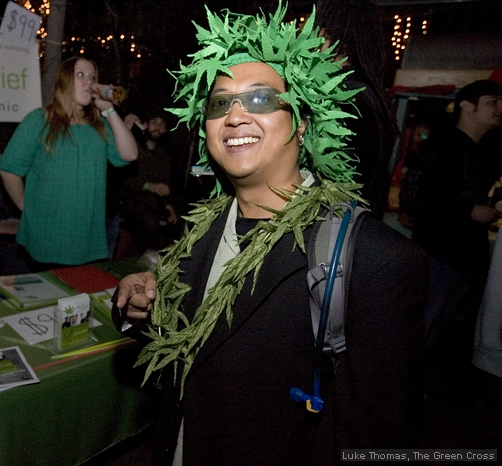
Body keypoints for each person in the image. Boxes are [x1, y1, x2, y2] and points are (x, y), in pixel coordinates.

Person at [112, 5, 429, 465]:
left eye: (260, 99)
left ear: (301, 120)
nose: (235, 116)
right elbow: (194, 350)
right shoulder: (199, 230)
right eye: (220, 102)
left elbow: (381, 434)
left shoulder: (374, 261)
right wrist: (142, 306)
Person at [0, 56, 137, 270]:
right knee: (48, 300)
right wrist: (27, 207)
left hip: (87, 238)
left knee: (81, 302)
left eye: (92, 77)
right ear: (64, 80)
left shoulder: (99, 124)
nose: (88, 81)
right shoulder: (39, 120)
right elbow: (9, 169)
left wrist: (109, 110)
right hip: (48, 237)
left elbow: (130, 155)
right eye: (80, 74)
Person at [405, 80, 502, 344]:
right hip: (438, 257)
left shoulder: (484, 152)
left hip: (464, 261)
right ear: (466, 106)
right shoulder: (442, 147)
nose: (499, 108)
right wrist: (468, 212)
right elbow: (413, 199)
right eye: (492, 101)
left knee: (435, 336)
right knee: (416, 333)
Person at [314, 0, 398, 220]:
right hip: (358, 223)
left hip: (329, 225)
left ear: (325, 34)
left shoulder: (341, 97)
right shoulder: (371, 95)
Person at [119, 114, 179, 253]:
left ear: (165, 130)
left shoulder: (164, 156)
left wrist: (169, 205)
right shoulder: (133, 147)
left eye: (162, 124)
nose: (157, 127)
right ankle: (148, 264)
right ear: (145, 124)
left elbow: (165, 184)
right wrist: (150, 186)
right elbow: (125, 180)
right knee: (150, 222)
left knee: (180, 223)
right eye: (154, 121)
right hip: (131, 200)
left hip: (154, 203)